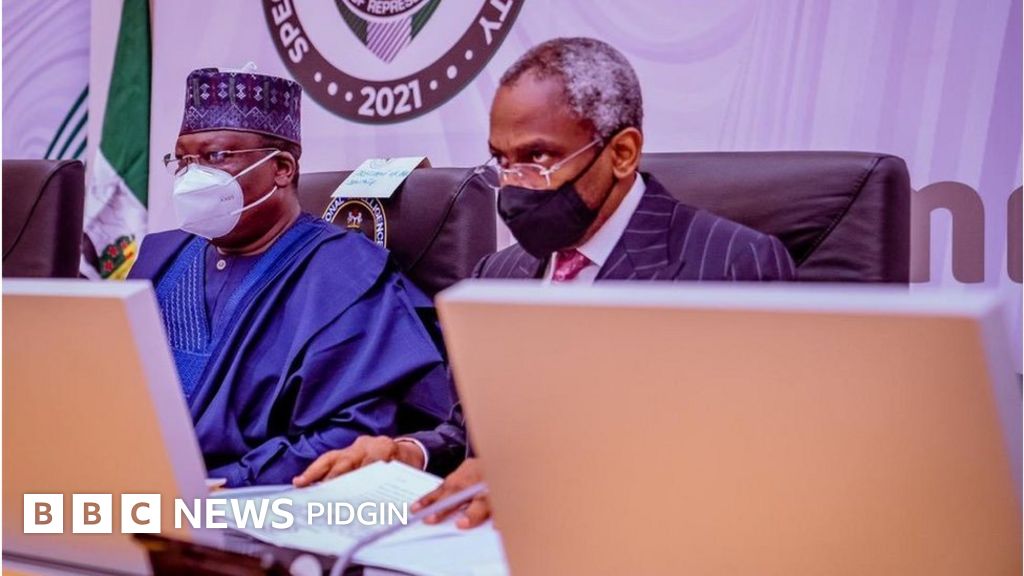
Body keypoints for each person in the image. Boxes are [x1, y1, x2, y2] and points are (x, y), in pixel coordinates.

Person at [294, 38, 796, 524]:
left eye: (537, 159)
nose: (514, 184)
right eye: (503, 160)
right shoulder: (498, 277)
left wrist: (545, 482)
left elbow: (755, 463)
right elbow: (473, 439)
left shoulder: (732, 265)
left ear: (622, 153)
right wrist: (407, 453)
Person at [128, 66, 451, 486]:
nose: (192, 176)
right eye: (183, 161)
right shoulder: (161, 257)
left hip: (258, 500)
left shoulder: (345, 272)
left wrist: (226, 483)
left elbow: (350, 435)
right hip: (130, 483)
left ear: (281, 168)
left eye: (215, 157)